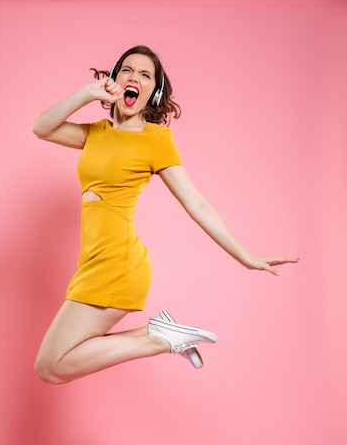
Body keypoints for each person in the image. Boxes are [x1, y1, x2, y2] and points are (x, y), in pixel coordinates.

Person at [32, 45, 298, 384]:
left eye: (145, 75)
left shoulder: (156, 139)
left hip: (117, 262)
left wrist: (245, 256)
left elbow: (196, 204)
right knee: (52, 365)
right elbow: (41, 128)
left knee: (50, 367)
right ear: (115, 79)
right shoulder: (95, 133)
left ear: (154, 91)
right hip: (92, 261)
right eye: (127, 70)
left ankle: (161, 339)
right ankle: (161, 333)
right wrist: (87, 93)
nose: (134, 78)